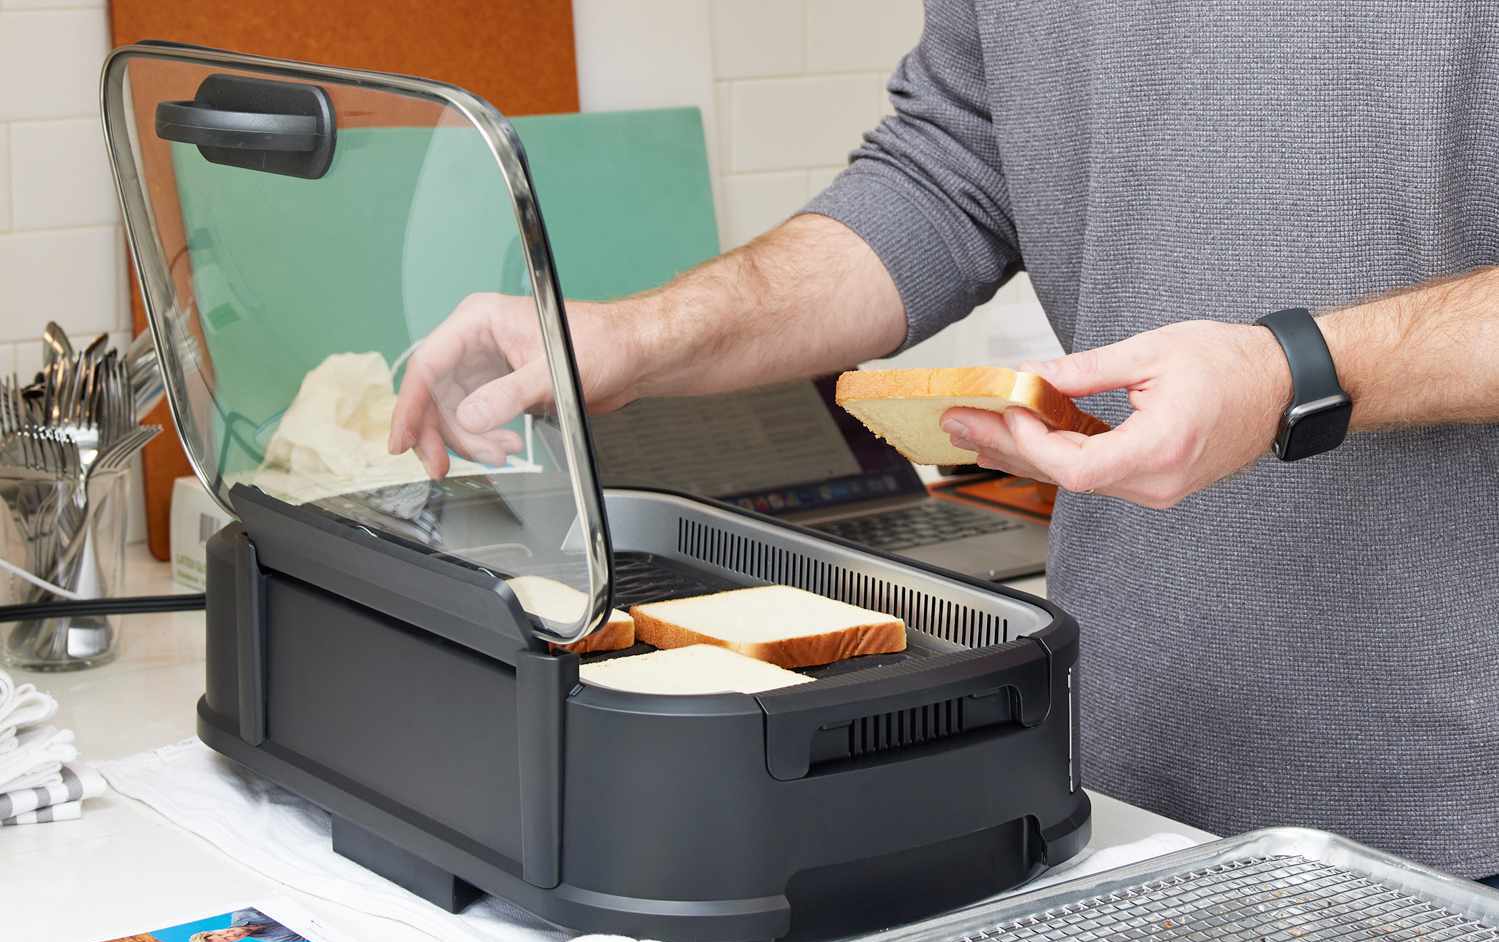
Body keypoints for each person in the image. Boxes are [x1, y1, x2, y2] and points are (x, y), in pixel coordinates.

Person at [390, 2, 1499, 878]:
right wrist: (639, 336)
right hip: (1121, 776)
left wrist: (1291, 372)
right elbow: (948, 172)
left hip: (1458, 806)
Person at [187, 908, 306, 942]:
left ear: (215, 931)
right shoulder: (273, 940)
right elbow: (310, 938)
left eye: (221, 934)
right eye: (227, 939)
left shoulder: (243, 912)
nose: (230, 935)